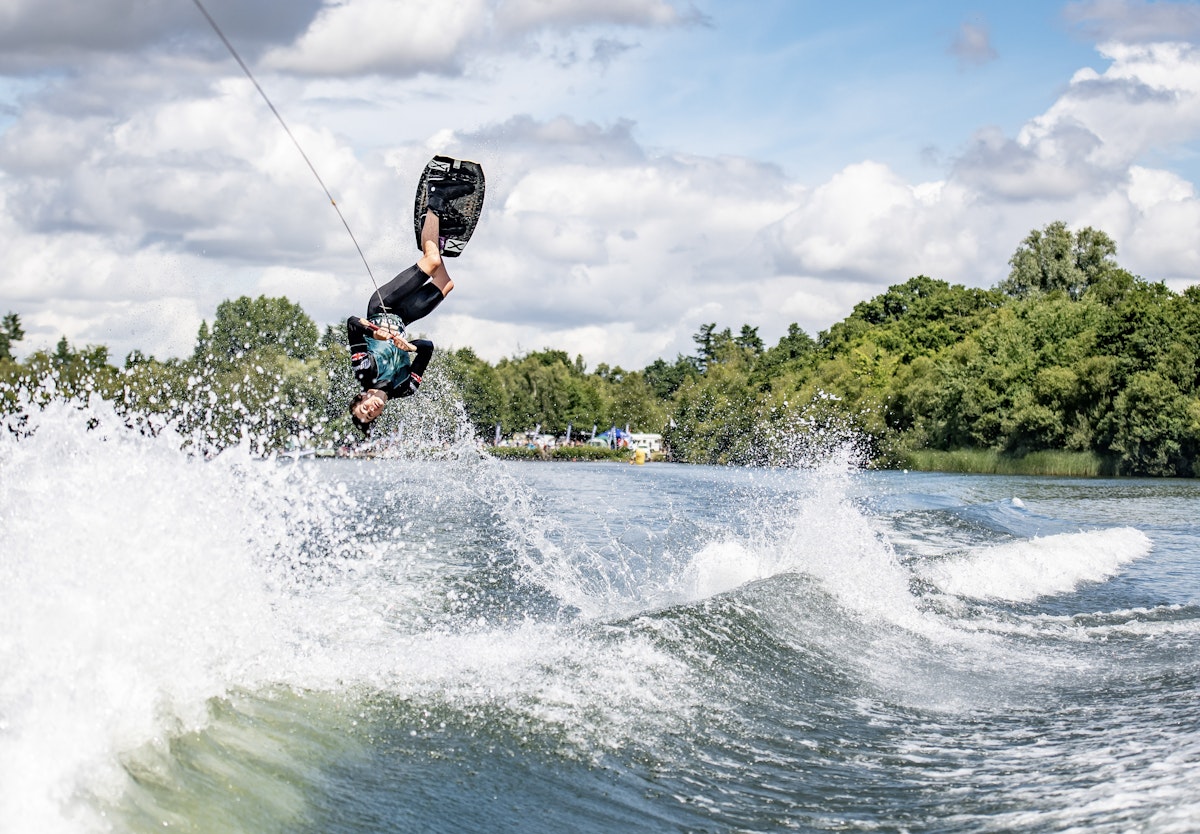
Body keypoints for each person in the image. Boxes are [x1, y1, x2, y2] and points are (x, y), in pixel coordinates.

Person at [347, 178, 474, 435]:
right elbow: (427, 349)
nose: (371, 410)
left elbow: (351, 324)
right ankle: (435, 231)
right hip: (403, 318)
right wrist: (412, 347)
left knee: (432, 261)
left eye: (364, 409)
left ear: (362, 398)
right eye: (371, 416)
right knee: (445, 283)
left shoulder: (364, 371)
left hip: (383, 306)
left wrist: (375, 333)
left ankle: (437, 196)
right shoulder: (406, 388)